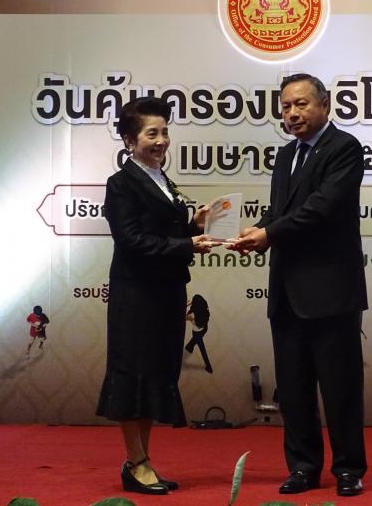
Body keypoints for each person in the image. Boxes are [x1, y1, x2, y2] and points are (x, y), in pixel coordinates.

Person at [230, 73, 368, 497]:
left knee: (340, 388)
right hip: (287, 292)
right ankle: (303, 468)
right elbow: (282, 211)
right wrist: (258, 229)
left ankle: (348, 470)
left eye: (301, 104)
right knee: (293, 389)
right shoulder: (286, 154)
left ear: (325, 104)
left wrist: (269, 234)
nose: (292, 113)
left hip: (331, 291)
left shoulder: (344, 148)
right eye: (286, 106)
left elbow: (320, 209)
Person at [96, 96, 215, 495]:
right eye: (152, 133)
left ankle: (142, 461)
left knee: (153, 377)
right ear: (130, 140)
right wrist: (187, 245)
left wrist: (193, 226)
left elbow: (163, 235)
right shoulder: (121, 184)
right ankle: (136, 462)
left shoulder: (162, 179)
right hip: (136, 295)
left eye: (165, 132)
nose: (162, 140)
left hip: (166, 292)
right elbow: (132, 241)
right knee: (133, 375)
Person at [185, 293, 213, 373]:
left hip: (197, 333)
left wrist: (186, 305)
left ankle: (209, 367)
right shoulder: (204, 311)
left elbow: (182, 316)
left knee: (202, 350)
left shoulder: (192, 315)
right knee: (192, 343)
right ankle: (189, 348)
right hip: (204, 329)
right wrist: (191, 303)